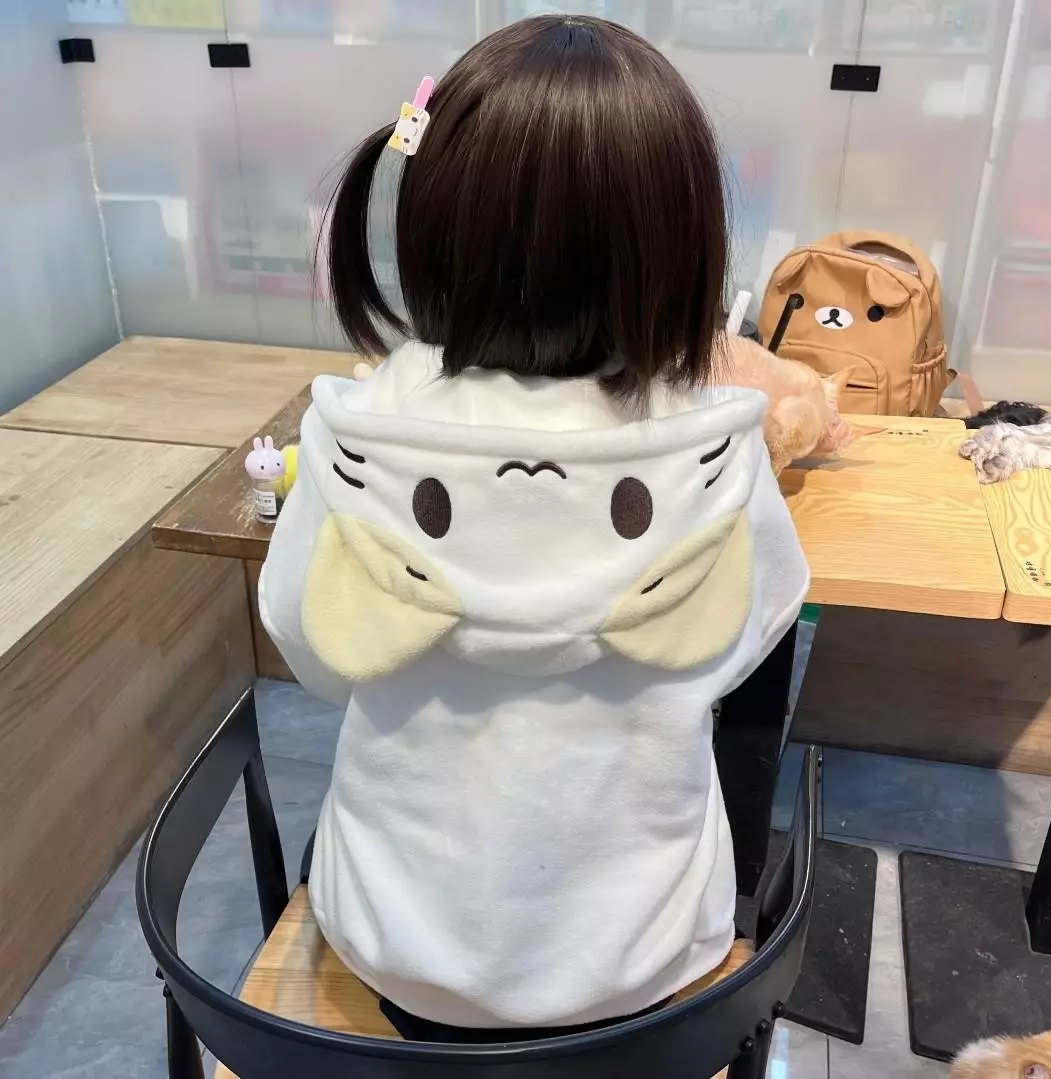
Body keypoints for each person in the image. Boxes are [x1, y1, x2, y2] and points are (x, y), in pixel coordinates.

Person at [258, 14, 809, 1042]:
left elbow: (317, 648)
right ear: (680, 244)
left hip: (399, 952)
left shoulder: (359, 431)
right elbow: (740, 640)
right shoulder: (713, 445)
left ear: (431, 223)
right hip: (639, 966)